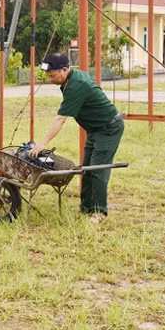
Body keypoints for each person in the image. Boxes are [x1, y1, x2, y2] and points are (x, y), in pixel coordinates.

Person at [29, 52, 124, 222]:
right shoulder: (69, 80)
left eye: (52, 75)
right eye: (48, 75)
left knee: (97, 170)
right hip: (95, 129)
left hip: (108, 128)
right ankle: (86, 208)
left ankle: (99, 212)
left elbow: (60, 119)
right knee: (86, 169)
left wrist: (42, 144)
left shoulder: (76, 85)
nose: (50, 79)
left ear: (65, 70)